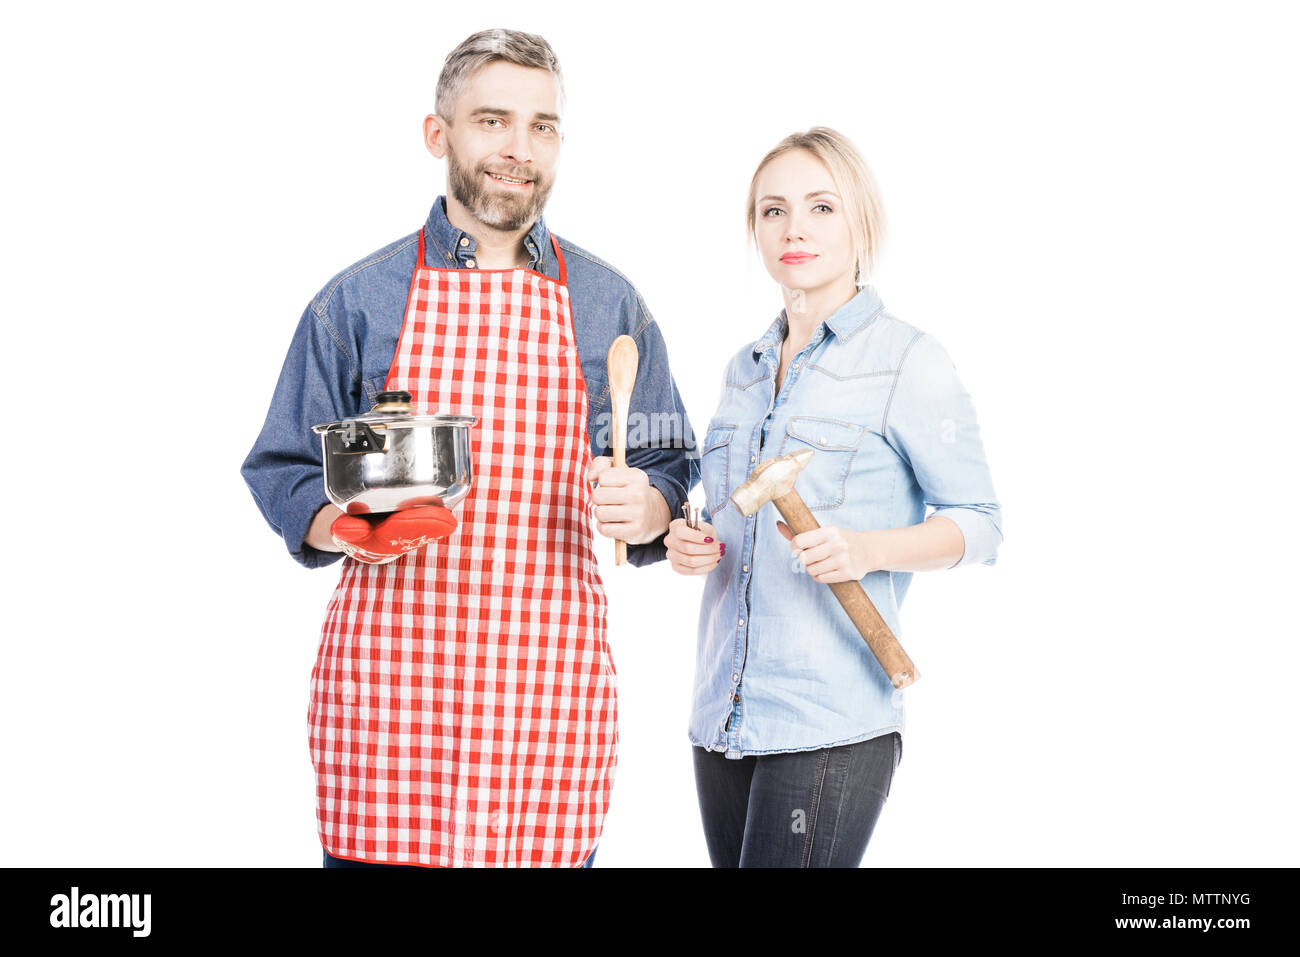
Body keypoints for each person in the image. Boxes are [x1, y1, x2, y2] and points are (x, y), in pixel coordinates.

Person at [240, 28, 696, 868]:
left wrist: (652, 504)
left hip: (547, 701)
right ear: (437, 133)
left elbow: (667, 461)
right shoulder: (359, 301)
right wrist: (343, 529)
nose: (519, 150)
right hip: (389, 709)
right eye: (492, 121)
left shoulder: (608, 304)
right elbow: (283, 464)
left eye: (542, 126)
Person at [665, 128, 1002, 867]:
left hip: (831, 721)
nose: (794, 229)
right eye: (772, 210)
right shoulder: (744, 369)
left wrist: (867, 547)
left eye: (822, 207)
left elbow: (981, 525)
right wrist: (687, 543)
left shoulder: (909, 360)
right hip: (723, 716)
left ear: (861, 222)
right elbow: (727, 515)